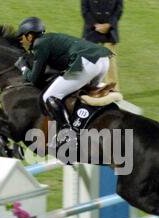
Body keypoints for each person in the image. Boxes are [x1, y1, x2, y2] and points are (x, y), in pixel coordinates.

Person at [15, 17, 113, 146]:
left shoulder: (39, 44)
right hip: (103, 60)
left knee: (49, 96)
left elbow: (34, 78)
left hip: (87, 63)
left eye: (21, 38)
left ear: (29, 36)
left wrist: (23, 68)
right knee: (85, 92)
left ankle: (68, 133)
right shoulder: (50, 38)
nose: (21, 42)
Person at [81, 0, 123, 91]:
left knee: (110, 61)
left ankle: (112, 89)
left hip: (110, 31)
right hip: (92, 29)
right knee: (88, 61)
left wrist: (108, 25)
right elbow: (85, 10)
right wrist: (96, 26)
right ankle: (85, 87)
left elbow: (118, 10)